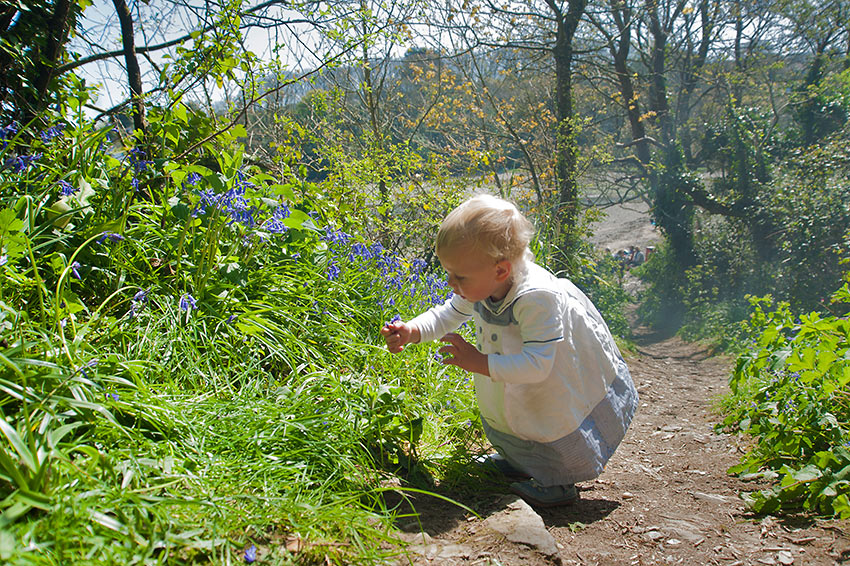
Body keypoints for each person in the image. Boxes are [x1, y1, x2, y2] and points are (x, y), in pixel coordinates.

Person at [380, 194, 639, 508]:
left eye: (458, 276)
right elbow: (449, 313)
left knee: (543, 419)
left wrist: (479, 362)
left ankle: (557, 482)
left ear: (500, 271)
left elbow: (538, 365)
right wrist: (413, 331)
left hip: (547, 379)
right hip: (507, 372)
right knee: (512, 416)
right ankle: (521, 463)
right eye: (449, 273)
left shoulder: (536, 298)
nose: (450, 283)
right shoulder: (482, 283)